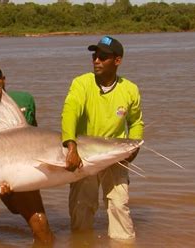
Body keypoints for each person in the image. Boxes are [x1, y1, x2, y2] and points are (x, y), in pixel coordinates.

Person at [61, 36, 144, 240]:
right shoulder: (81, 83)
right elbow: (69, 113)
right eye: (94, 56)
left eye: (103, 57)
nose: (96, 60)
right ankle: (80, 241)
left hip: (115, 155)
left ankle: (123, 243)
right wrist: (71, 146)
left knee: (119, 205)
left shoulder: (130, 89)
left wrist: (134, 148)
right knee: (82, 207)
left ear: (117, 61)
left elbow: (136, 122)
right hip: (84, 155)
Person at [0, 60, 54, 246]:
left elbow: (37, 135)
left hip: (22, 169)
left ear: (4, 78)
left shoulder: (25, 100)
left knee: (42, 227)